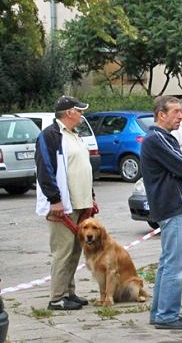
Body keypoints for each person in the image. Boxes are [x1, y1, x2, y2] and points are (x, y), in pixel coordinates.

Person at [141, 96, 182, 329]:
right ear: (161, 115)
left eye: (181, 112)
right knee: (175, 263)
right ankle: (167, 314)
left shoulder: (164, 138)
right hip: (171, 205)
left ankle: (159, 312)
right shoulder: (156, 139)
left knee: (167, 262)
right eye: (175, 112)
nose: (180, 116)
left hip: (171, 205)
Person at [35, 95, 95, 311]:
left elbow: (82, 167)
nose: (82, 114)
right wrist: (55, 200)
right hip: (62, 205)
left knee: (74, 251)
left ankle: (69, 292)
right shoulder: (50, 136)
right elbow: (45, 170)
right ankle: (56, 297)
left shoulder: (74, 135)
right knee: (62, 251)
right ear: (69, 113)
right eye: (80, 111)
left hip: (80, 202)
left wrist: (91, 196)